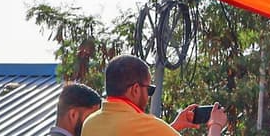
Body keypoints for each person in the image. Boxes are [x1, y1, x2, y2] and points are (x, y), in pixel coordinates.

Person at [81, 55, 228, 136]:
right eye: (149, 89)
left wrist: (174, 126)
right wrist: (215, 125)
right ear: (135, 89)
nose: (149, 96)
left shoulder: (90, 123)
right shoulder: (144, 124)